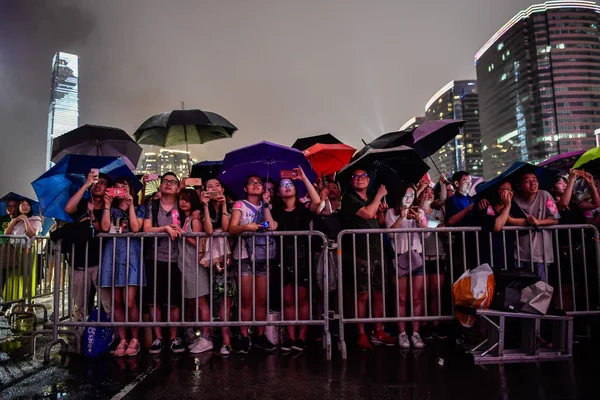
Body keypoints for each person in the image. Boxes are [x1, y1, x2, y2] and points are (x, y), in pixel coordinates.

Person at [340, 168, 395, 350]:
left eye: (363, 176)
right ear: (351, 181)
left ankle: (378, 330)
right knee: (361, 294)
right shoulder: (349, 198)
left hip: (377, 250)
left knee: (379, 293)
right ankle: (361, 333)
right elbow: (366, 214)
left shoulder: (372, 197)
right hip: (359, 253)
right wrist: (379, 196)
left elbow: (377, 221)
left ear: (369, 179)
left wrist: (381, 211)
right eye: (356, 177)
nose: (359, 179)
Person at [271, 166, 321, 354]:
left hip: (302, 256)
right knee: (288, 299)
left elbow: (317, 202)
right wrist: (267, 207)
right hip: (283, 258)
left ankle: (302, 335)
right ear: (278, 192)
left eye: (290, 184)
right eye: (283, 185)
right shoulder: (276, 210)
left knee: (303, 298)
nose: (287, 187)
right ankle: (290, 336)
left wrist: (303, 178)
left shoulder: (303, 208)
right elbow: (269, 226)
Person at [229, 175, 278, 354]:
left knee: (261, 300)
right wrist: (246, 227)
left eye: (259, 183)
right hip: (244, 257)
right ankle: (244, 335)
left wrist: (266, 206)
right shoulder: (239, 205)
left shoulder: (265, 206)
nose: (256, 185)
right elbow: (232, 228)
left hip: (263, 257)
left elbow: (272, 226)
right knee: (246, 300)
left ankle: (260, 335)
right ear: (245, 188)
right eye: (251, 182)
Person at [99, 179, 145, 357]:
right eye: (116, 186)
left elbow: (135, 228)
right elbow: (104, 227)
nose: (120, 189)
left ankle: (135, 339)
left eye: (124, 186)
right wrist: (108, 205)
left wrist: (131, 204)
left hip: (131, 254)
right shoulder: (110, 209)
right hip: (112, 254)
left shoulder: (139, 208)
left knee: (130, 300)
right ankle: (123, 339)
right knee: (117, 301)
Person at [142, 172, 185, 354]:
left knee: (174, 301)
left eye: (172, 182)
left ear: (178, 188)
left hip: (176, 259)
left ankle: (174, 337)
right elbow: (146, 228)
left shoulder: (182, 206)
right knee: (154, 301)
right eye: (165, 181)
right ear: (159, 186)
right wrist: (165, 228)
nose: (168, 184)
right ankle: (158, 337)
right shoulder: (152, 205)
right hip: (154, 258)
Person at [64, 170, 113, 322]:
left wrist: (103, 208)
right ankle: (79, 336)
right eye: (96, 182)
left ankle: (110, 335)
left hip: (101, 262)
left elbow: (105, 228)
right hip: (79, 262)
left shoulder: (110, 207)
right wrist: (86, 185)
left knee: (108, 303)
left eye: (103, 183)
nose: (98, 185)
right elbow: (68, 208)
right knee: (80, 304)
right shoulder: (83, 204)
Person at [385, 182, 427, 349]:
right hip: (400, 257)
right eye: (406, 195)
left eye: (411, 195)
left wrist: (418, 220)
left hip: (416, 256)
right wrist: (402, 217)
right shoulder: (391, 212)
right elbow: (390, 234)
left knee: (416, 297)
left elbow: (427, 233)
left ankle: (415, 333)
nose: (409, 199)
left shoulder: (419, 211)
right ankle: (402, 333)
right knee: (401, 298)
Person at [551, 170, 600, 309]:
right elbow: (562, 204)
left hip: (579, 249)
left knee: (580, 286)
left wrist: (590, 184)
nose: (564, 185)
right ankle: (564, 321)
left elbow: (596, 203)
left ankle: (577, 320)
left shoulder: (575, 204)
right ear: (552, 187)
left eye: (565, 182)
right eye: (560, 183)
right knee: (565, 287)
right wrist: (572, 179)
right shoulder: (552, 203)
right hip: (562, 251)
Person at [201, 178, 235, 356]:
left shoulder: (231, 205)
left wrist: (223, 206)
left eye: (216, 185)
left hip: (228, 257)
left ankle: (227, 341)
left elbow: (226, 227)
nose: (213, 188)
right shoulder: (201, 208)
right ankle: (208, 338)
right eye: (209, 186)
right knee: (211, 299)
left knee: (225, 300)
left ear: (222, 188)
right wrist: (205, 207)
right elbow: (208, 230)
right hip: (209, 259)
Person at [177, 189, 213, 354]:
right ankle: (201, 337)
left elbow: (199, 243)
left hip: (195, 264)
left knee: (201, 302)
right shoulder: (186, 218)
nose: (183, 203)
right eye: (181, 199)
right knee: (192, 301)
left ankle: (206, 338)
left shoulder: (195, 219)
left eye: (187, 200)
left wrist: (183, 233)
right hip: (186, 264)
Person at [511, 172, 560, 281]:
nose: (532, 183)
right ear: (519, 186)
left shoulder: (545, 195)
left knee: (541, 289)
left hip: (541, 253)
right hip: (520, 253)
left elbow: (555, 219)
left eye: (534, 180)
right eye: (527, 181)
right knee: (522, 289)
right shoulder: (513, 199)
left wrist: (538, 222)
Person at [417, 185, 447, 338]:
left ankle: (435, 323)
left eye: (431, 193)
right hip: (421, 256)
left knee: (436, 292)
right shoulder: (415, 211)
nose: (428, 194)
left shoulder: (439, 212)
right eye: (425, 192)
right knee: (422, 292)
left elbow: (443, 230)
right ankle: (422, 323)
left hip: (437, 254)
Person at [2, 199, 42, 302]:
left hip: (26, 251)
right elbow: (6, 233)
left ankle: (27, 302)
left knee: (26, 276)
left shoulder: (35, 218)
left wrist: (26, 220)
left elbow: (31, 234)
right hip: (13, 251)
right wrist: (15, 221)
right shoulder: (15, 219)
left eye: (27, 205)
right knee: (13, 276)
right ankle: (12, 302)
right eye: (22, 205)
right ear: (18, 208)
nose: (25, 207)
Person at [473, 181, 516, 270]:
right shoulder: (486, 205)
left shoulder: (515, 206)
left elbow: (527, 220)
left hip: (508, 254)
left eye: (508, 189)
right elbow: (497, 226)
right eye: (503, 189)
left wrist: (510, 216)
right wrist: (508, 205)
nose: (505, 192)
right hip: (488, 254)